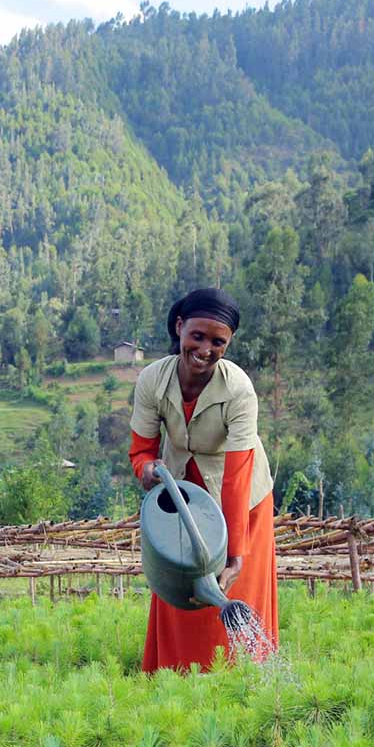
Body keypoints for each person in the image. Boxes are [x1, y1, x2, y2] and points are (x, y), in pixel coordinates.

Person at [129, 287, 278, 672]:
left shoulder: (239, 391)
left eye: (218, 342)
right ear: (179, 328)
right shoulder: (153, 380)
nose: (205, 349)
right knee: (180, 587)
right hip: (183, 496)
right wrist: (146, 468)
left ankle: (241, 678)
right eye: (197, 336)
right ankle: (176, 677)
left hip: (242, 501)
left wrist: (234, 554)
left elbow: (236, 476)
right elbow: (142, 448)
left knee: (233, 586)